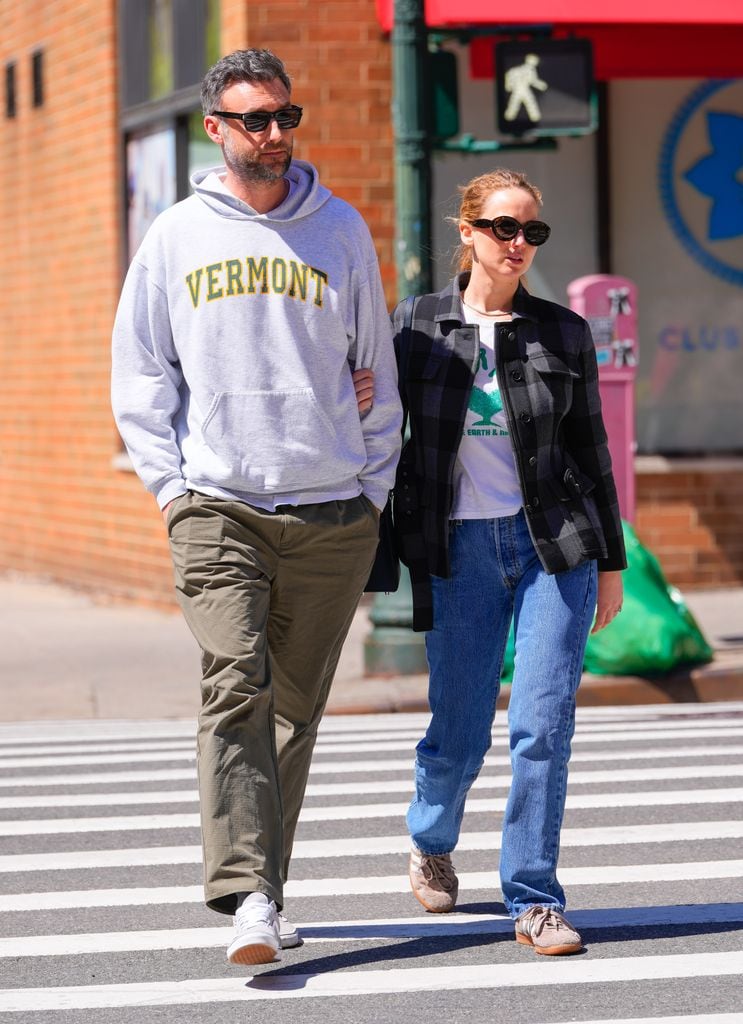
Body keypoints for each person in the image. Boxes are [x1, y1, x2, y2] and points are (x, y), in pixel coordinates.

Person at [111, 48, 401, 966]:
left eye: (283, 117)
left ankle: (266, 894)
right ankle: (245, 897)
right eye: (253, 120)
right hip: (217, 504)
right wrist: (169, 489)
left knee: (294, 709)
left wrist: (372, 486)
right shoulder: (175, 237)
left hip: (329, 509)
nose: (273, 135)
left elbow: (376, 370)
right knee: (236, 683)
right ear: (217, 129)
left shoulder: (340, 229)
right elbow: (141, 372)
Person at [392, 169, 626, 956]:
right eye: (502, 228)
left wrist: (611, 562)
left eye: (531, 231)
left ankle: (532, 896)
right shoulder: (416, 327)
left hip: (551, 548)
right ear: (466, 231)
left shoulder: (561, 332)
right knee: (459, 732)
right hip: (457, 548)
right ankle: (431, 837)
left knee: (541, 727)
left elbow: (591, 451)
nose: (518, 244)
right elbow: (373, 430)